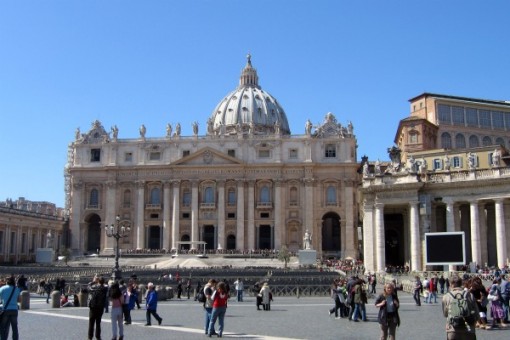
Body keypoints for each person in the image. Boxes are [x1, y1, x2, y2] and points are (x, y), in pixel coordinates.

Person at [442, 275, 478, 340]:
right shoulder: (470, 295)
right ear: (461, 283)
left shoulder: (446, 296)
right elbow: (477, 314)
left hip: (453, 329)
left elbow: (445, 314)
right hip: (469, 329)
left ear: (451, 284)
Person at [0, 276, 21, 340]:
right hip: (14, 310)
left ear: (7, 281)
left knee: (3, 326)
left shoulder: (2, 288)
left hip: (5, 310)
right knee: (14, 327)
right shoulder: (17, 289)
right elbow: (19, 300)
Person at [88, 275, 107, 340]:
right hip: (100, 307)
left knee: (91, 322)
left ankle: (90, 337)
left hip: (93, 307)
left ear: (98, 281)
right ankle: (98, 336)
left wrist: (93, 282)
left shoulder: (94, 288)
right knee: (98, 322)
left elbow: (89, 287)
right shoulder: (104, 289)